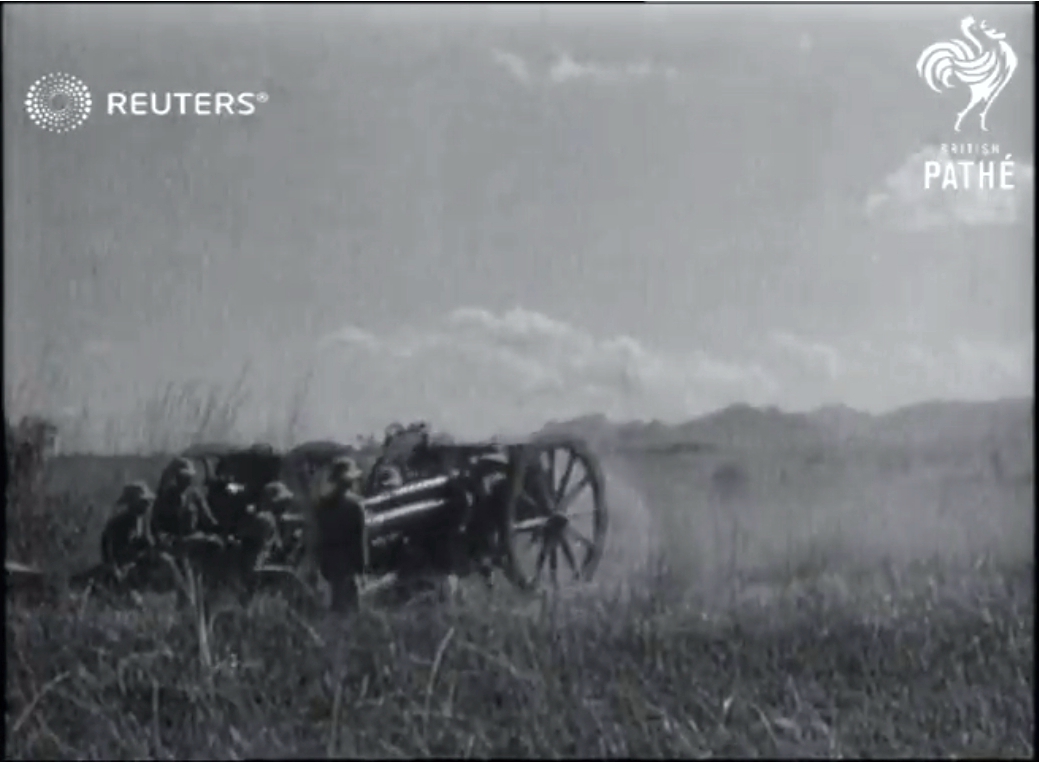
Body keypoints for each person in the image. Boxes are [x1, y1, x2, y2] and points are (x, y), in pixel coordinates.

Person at [312, 455, 367, 612]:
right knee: (350, 609)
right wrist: (362, 570)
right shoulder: (355, 506)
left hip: (329, 562)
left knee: (333, 606)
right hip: (348, 563)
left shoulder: (322, 505)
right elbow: (359, 541)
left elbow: (318, 537)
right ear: (351, 481)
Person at [150, 457, 220, 548]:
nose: (188, 480)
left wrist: (218, 530)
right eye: (184, 477)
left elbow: (207, 518)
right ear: (177, 477)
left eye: (189, 477)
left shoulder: (195, 495)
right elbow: (157, 527)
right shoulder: (164, 498)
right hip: (172, 542)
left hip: (192, 538)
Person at [100, 481, 155, 575]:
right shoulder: (121, 523)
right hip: (126, 565)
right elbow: (112, 548)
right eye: (143, 502)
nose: (147, 506)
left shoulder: (141, 520)